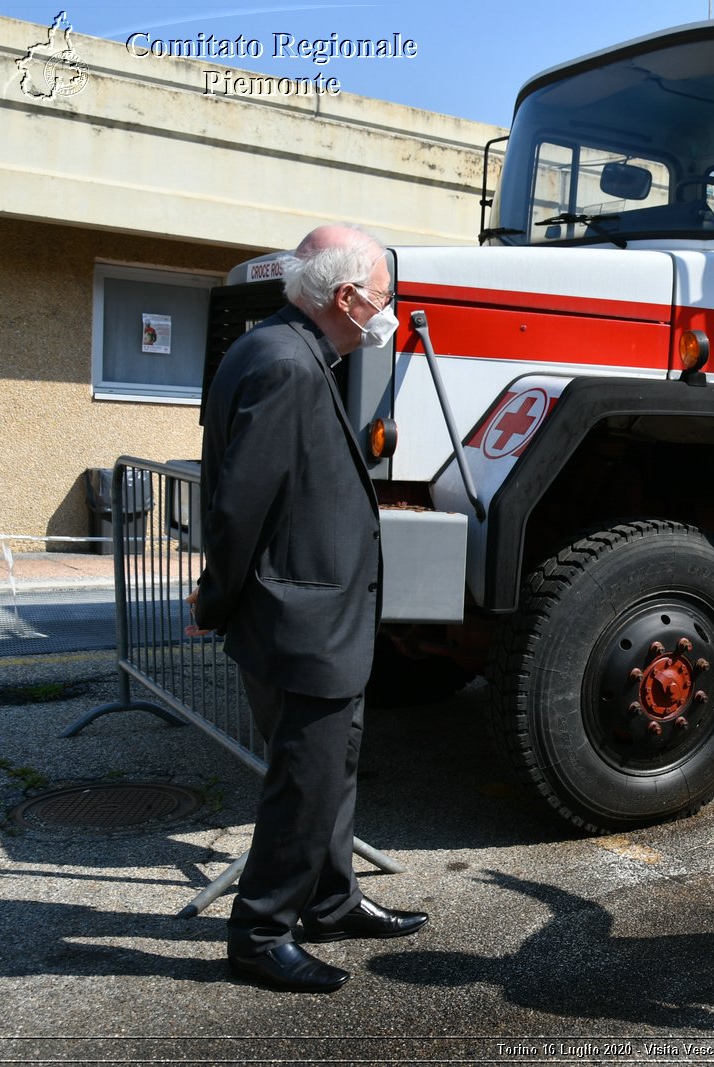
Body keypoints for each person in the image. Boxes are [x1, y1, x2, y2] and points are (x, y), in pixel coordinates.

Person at [188, 224, 427, 994]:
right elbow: (240, 504)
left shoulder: (280, 348)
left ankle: (328, 899)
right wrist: (214, 600)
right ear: (348, 298)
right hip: (300, 622)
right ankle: (260, 931)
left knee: (332, 771)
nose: (388, 313)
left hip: (315, 618)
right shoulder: (288, 364)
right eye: (383, 299)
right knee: (304, 782)